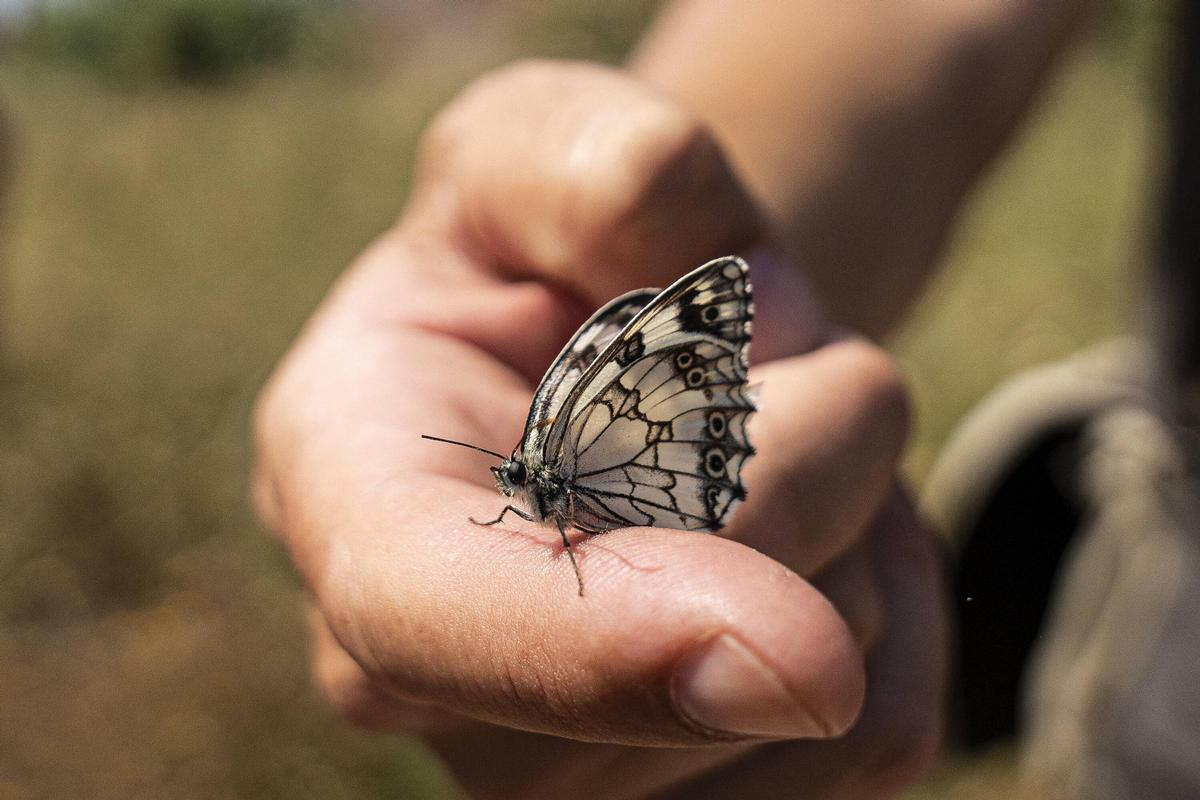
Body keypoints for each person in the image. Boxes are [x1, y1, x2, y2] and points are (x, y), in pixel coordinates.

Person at [252, 1, 1095, 797]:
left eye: (514, 483)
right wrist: (644, 213)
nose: (512, 489)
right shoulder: (538, 464)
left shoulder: (557, 452)